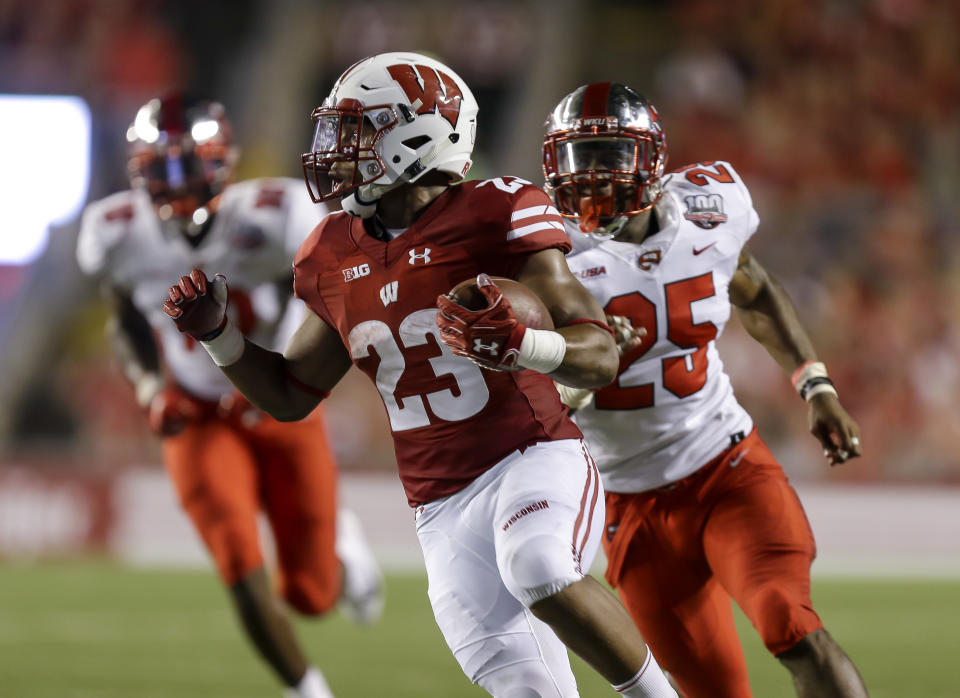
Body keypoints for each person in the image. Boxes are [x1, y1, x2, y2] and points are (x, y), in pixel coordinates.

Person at [161, 53, 678, 698]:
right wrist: (221, 337)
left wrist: (525, 343)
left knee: (539, 562)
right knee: (527, 690)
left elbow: (599, 354)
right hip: (438, 507)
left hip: (532, 454)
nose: (337, 151)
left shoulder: (497, 211)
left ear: (416, 135)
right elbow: (291, 396)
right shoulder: (331, 250)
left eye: (356, 133)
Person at [542, 82, 870, 698]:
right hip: (627, 502)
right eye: (574, 159)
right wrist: (577, 369)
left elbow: (757, 288)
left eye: (607, 156)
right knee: (708, 691)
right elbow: (517, 387)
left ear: (650, 160)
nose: (587, 176)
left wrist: (814, 383)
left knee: (791, 624)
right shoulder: (545, 252)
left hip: (728, 467)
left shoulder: (707, 210)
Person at [77, 94, 384, 698]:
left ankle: (340, 554)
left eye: (184, 163)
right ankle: (309, 691)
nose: (173, 181)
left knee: (310, 594)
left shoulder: (276, 214)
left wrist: (285, 373)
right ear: (136, 170)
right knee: (238, 563)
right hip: (196, 417)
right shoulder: (117, 232)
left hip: (274, 404)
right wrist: (149, 390)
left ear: (222, 161)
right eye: (159, 166)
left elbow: (323, 298)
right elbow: (126, 323)